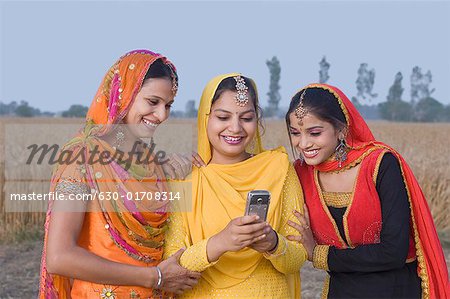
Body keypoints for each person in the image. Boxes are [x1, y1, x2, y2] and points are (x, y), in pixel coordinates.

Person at [39, 49, 200, 298]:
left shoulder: (150, 163)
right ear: (123, 94)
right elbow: (60, 257)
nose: (161, 115)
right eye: (152, 102)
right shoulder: (80, 158)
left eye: (168, 105)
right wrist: (155, 277)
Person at [285, 83, 450, 298]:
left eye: (315, 132)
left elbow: (393, 252)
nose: (303, 143)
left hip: (396, 291)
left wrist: (319, 254)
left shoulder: (380, 164)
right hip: (341, 291)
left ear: (341, 130)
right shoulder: (300, 174)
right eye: (295, 133)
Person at [164, 73, 308, 298]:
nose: (235, 128)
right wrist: (220, 242)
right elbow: (173, 267)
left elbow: (297, 258)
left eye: (247, 118)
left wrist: (273, 244)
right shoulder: (184, 180)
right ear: (205, 118)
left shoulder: (279, 169)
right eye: (223, 117)